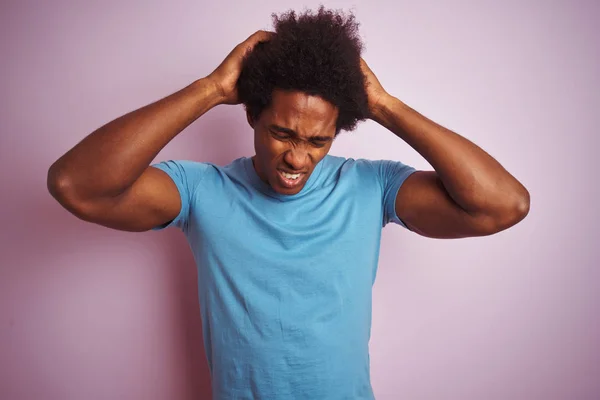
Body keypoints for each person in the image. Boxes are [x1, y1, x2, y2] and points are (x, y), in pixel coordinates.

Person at [47, 7, 530, 400]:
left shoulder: (370, 186)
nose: (297, 157)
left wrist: (382, 104)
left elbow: (503, 205)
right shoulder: (201, 190)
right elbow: (76, 185)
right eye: (281, 133)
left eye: (318, 141)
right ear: (253, 114)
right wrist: (212, 89)